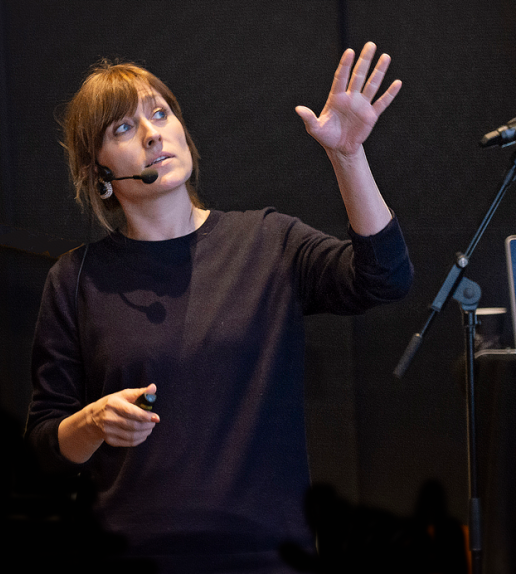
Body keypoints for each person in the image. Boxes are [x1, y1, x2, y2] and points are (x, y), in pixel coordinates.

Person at [24, 42, 414, 573]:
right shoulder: (76, 280)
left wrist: (349, 157)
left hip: (267, 558)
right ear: (99, 174)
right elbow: (44, 449)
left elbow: (385, 278)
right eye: (123, 128)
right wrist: (91, 422)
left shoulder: (268, 242)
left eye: (160, 114)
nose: (152, 134)